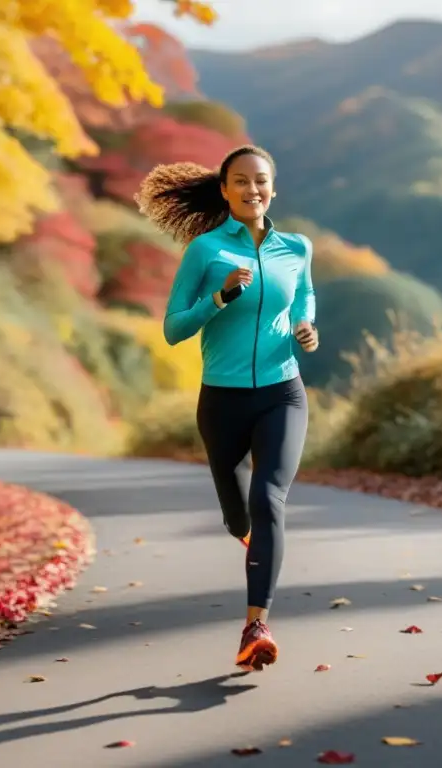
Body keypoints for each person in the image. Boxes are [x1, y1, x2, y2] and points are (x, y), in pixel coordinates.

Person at [135, 145, 318, 672]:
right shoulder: (205, 250)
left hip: (283, 392)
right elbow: (173, 329)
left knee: (268, 500)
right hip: (222, 401)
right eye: (240, 181)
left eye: (260, 181)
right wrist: (217, 299)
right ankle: (254, 542)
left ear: (273, 189)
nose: (252, 189)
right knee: (238, 514)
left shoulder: (296, 247)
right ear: (224, 189)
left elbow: (304, 296)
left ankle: (255, 624)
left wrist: (307, 327)